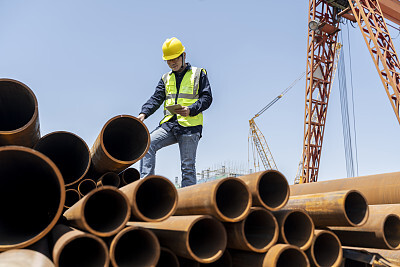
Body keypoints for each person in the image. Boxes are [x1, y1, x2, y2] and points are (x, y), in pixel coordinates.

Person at [137, 37, 212, 187]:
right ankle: (144, 188)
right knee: (148, 143)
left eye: (175, 58)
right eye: (168, 60)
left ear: (183, 55)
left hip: (190, 125)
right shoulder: (165, 78)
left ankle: (187, 204)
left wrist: (191, 110)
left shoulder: (198, 74)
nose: (172, 63)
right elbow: (156, 98)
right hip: (170, 124)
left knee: (188, 168)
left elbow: (207, 98)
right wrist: (143, 113)